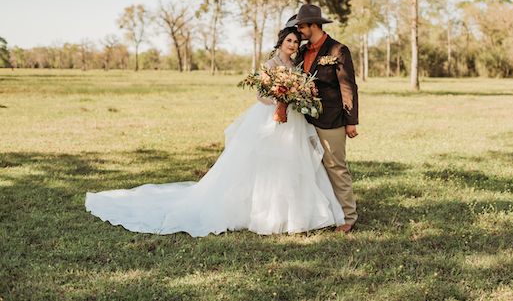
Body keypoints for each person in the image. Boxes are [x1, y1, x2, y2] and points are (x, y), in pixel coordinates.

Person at [85, 20, 345, 237]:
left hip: (294, 122)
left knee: (293, 164)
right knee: (267, 165)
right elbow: (260, 96)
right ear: (280, 43)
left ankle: (298, 212)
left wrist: (295, 96)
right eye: (289, 41)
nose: (293, 45)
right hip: (271, 119)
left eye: (296, 42)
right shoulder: (270, 66)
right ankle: (267, 213)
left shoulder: (297, 66)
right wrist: (279, 99)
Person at [292, 4, 359, 234]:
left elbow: (348, 87)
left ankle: (349, 217)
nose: (298, 29)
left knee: (335, 167)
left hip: (332, 119)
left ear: (314, 25)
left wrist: (351, 121)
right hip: (304, 120)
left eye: (301, 25)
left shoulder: (338, 50)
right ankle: (324, 213)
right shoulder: (301, 52)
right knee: (311, 167)